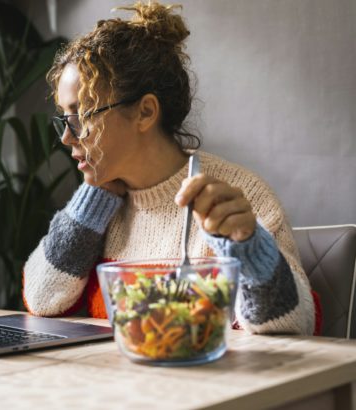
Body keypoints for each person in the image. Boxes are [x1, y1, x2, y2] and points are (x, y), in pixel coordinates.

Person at [22, 1, 319, 335]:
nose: (65, 137)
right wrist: (93, 198)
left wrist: (248, 246)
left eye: (80, 117)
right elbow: (42, 298)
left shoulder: (237, 198)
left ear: (146, 112)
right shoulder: (101, 205)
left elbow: (294, 327)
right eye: (64, 118)